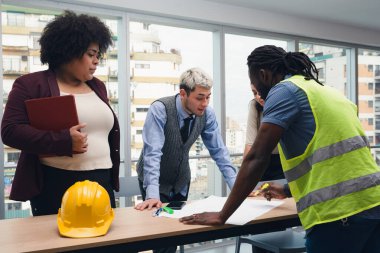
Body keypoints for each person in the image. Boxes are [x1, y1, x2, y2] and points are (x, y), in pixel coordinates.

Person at [180, 45, 380, 253]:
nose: (257, 93)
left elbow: (257, 157)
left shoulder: (283, 91)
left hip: (340, 214)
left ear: (263, 75)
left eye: (255, 85)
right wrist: (285, 190)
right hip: (373, 205)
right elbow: (333, 160)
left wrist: (223, 214)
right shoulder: (325, 91)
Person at [1, 10, 120, 216]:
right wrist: (63, 141)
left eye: (98, 55)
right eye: (91, 54)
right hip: (56, 183)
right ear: (68, 51)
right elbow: (10, 131)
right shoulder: (30, 85)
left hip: (102, 181)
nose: (96, 61)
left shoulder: (98, 86)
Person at [135, 67, 237, 252]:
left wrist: (237, 188)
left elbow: (219, 152)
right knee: (162, 236)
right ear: (183, 93)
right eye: (199, 97)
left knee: (178, 229)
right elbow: (153, 153)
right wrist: (152, 194)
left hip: (181, 181)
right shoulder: (160, 109)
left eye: (208, 97)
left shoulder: (207, 114)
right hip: (155, 182)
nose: (205, 103)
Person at [244, 85, 284, 180]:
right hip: (262, 160)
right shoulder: (254, 106)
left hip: (286, 161)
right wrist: (244, 177)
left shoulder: (284, 104)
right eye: (254, 93)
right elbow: (250, 145)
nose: (258, 96)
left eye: (261, 91)